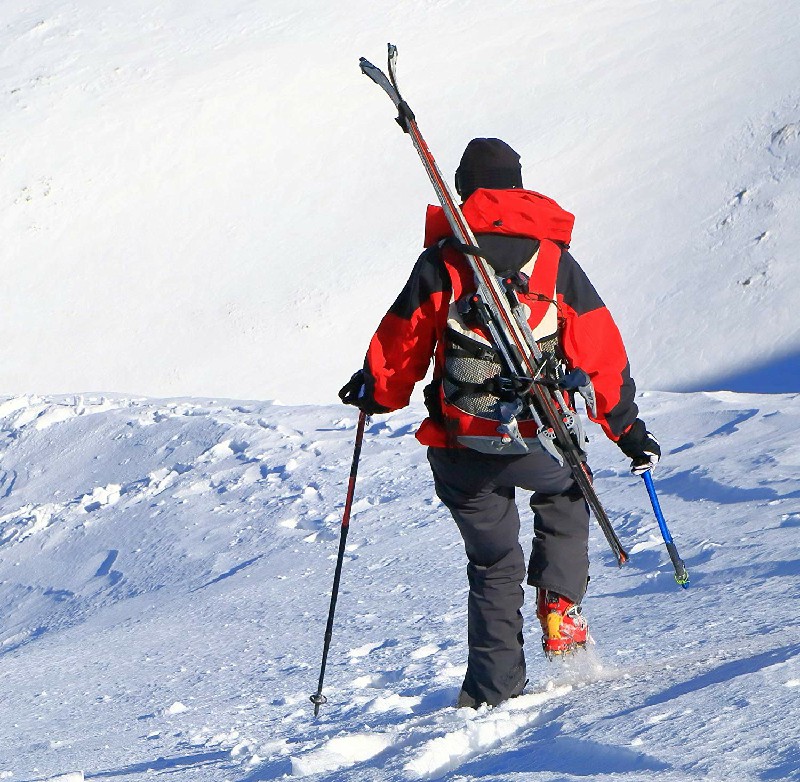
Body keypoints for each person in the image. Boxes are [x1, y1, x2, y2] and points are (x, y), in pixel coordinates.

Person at [339, 138, 660, 709]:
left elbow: (403, 341)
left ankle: (493, 690)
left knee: (492, 564)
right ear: (517, 186)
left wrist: (376, 393)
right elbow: (600, 348)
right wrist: (627, 429)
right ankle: (561, 606)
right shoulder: (555, 261)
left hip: (463, 443)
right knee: (565, 492)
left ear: (464, 190)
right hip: (541, 438)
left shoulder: (442, 261)